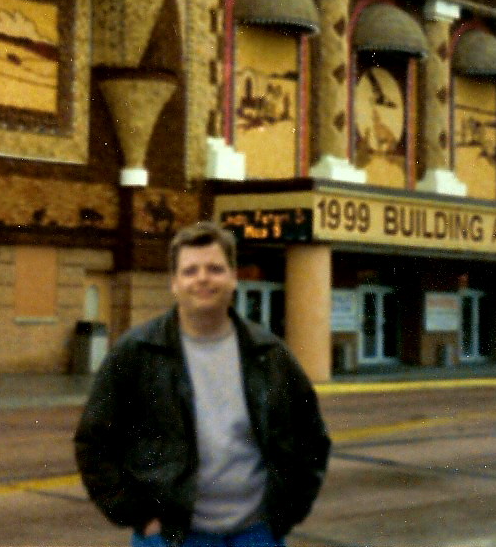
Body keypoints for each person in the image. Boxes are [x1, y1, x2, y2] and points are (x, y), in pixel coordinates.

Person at [74, 220, 331, 547]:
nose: (203, 279)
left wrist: (286, 513)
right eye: (191, 271)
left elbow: (312, 438)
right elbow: (93, 441)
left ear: (234, 277)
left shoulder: (270, 354)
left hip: (257, 534)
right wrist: (140, 517)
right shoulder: (137, 353)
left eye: (215, 268)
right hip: (172, 536)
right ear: (174, 283)